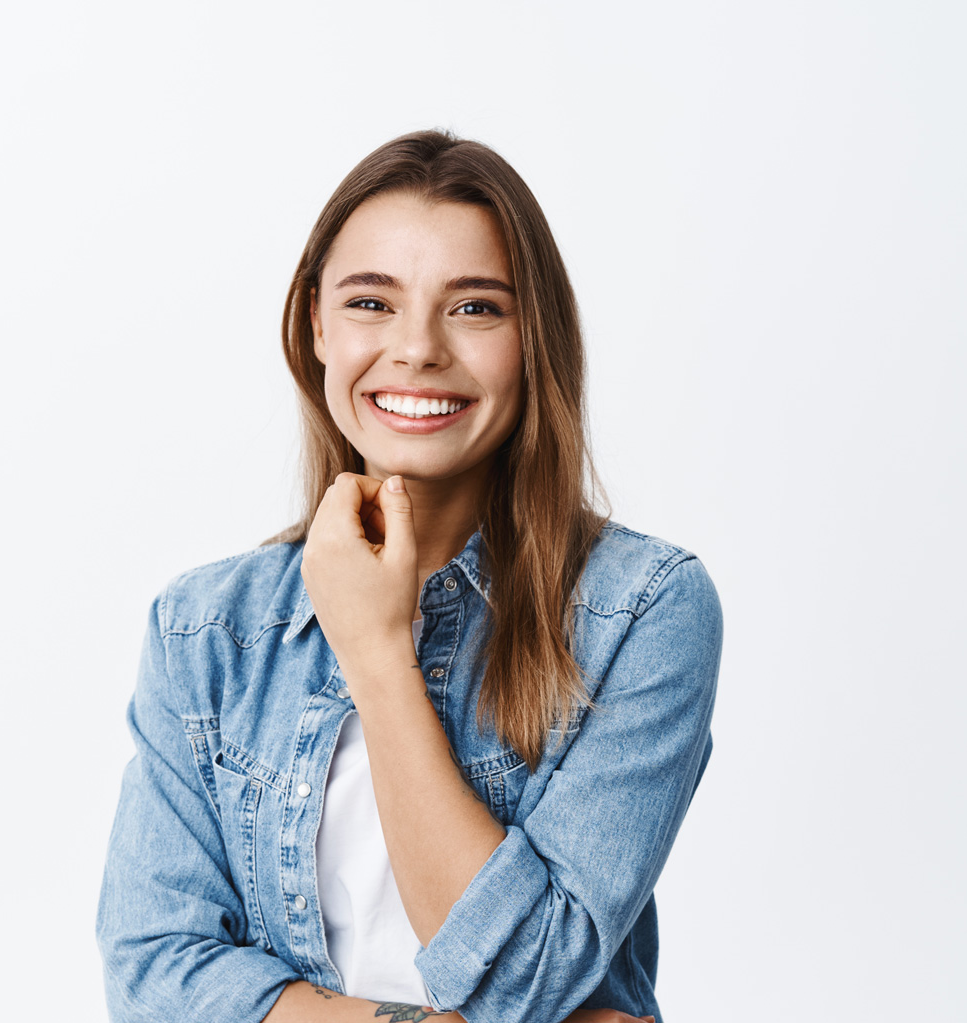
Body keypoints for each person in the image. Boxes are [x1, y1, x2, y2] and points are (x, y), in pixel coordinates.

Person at [95, 130, 723, 1023]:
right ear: (315, 323)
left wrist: (378, 649)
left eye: (474, 308)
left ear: (532, 336)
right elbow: (153, 977)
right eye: (370, 303)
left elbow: (528, 975)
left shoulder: (640, 611)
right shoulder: (205, 629)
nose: (418, 348)